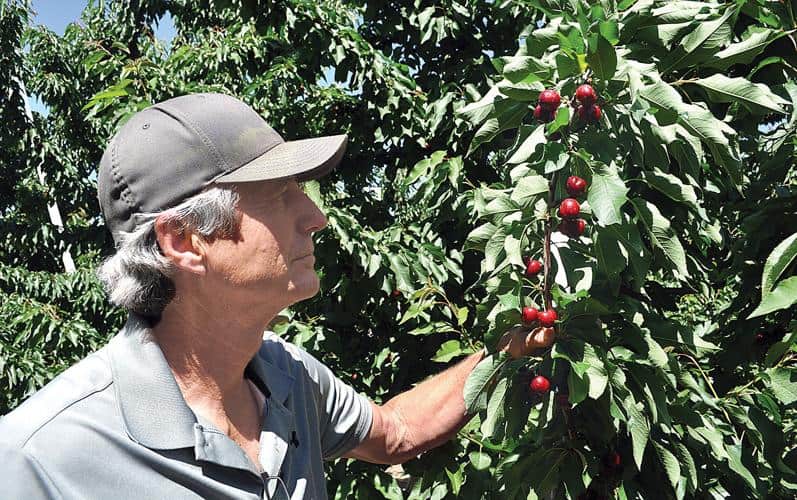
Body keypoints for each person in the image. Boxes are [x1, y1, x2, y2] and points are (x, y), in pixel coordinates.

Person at [0, 93, 553, 499]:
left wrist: (505, 353)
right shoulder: (40, 459)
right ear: (185, 240)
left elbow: (395, 432)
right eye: (279, 196)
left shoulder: (286, 375)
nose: (316, 218)